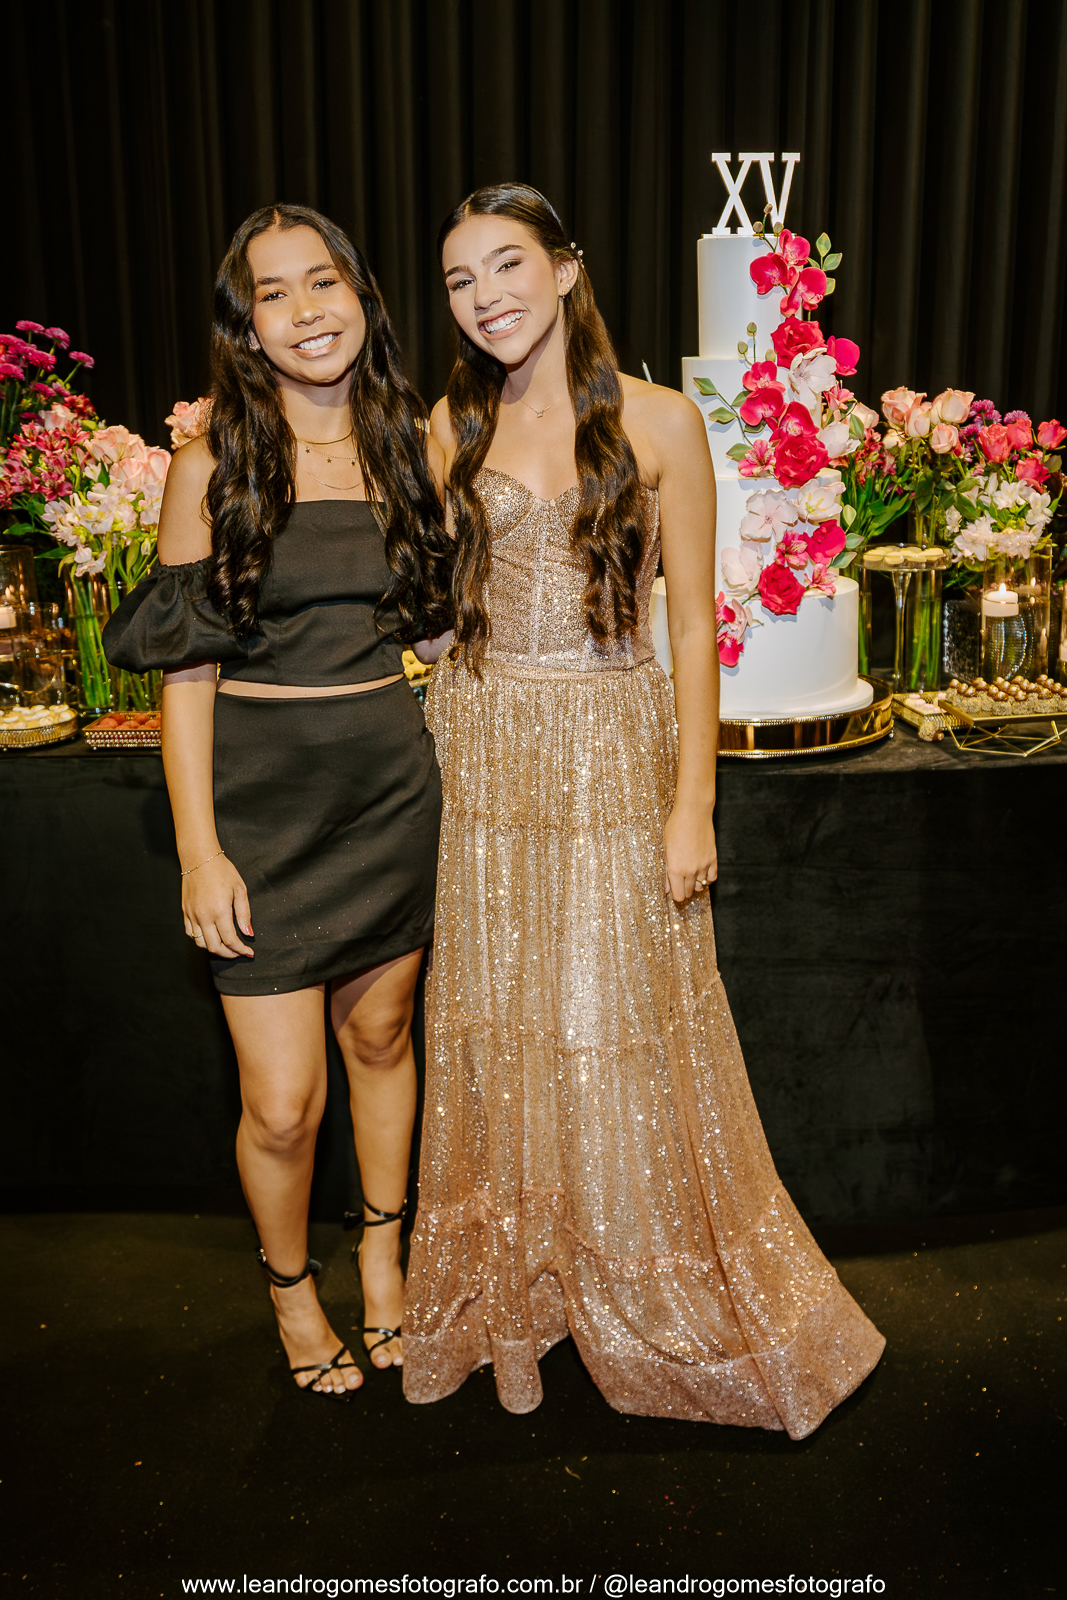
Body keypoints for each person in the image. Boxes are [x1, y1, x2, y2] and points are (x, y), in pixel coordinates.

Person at [402, 183, 885, 1438]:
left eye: (506, 265)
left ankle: (629, 1268)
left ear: (564, 269)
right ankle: (524, 1282)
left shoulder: (661, 419)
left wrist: (692, 804)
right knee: (501, 1018)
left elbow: (688, 630)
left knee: (608, 1017)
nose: (485, 297)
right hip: (485, 749)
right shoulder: (449, 423)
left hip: (613, 745)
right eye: (459, 280)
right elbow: (432, 601)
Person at [104, 204, 449, 1395]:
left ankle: (384, 1261)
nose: (306, 311)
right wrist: (199, 851)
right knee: (286, 1102)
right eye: (274, 292)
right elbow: (184, 680)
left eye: (323, 282)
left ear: (361, 296)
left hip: (389, 796)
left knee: (382, 1037)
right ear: (244, 325)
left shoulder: (410, 443)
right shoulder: (212, 465)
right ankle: (292, 1291)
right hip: (258, 814)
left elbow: (440, 630)